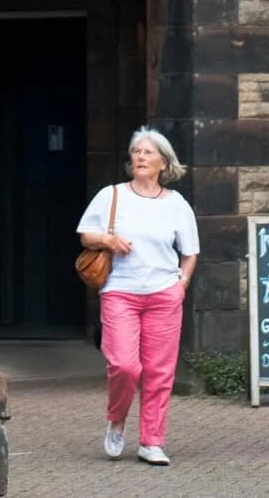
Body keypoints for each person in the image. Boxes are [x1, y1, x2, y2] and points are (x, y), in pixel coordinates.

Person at [76, 126, 199, 468]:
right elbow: (85, 235)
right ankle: (117, 419)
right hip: (121, 292)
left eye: (148, 152)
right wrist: (108, 240)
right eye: (136, 152)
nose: (141, 157)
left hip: (164, 295)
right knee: (124, 366)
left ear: (163, 163)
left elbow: (190, 252)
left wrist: (181, 285)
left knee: (159, 371)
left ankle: (152, 441)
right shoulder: (112, 195)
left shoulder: (176, 204)